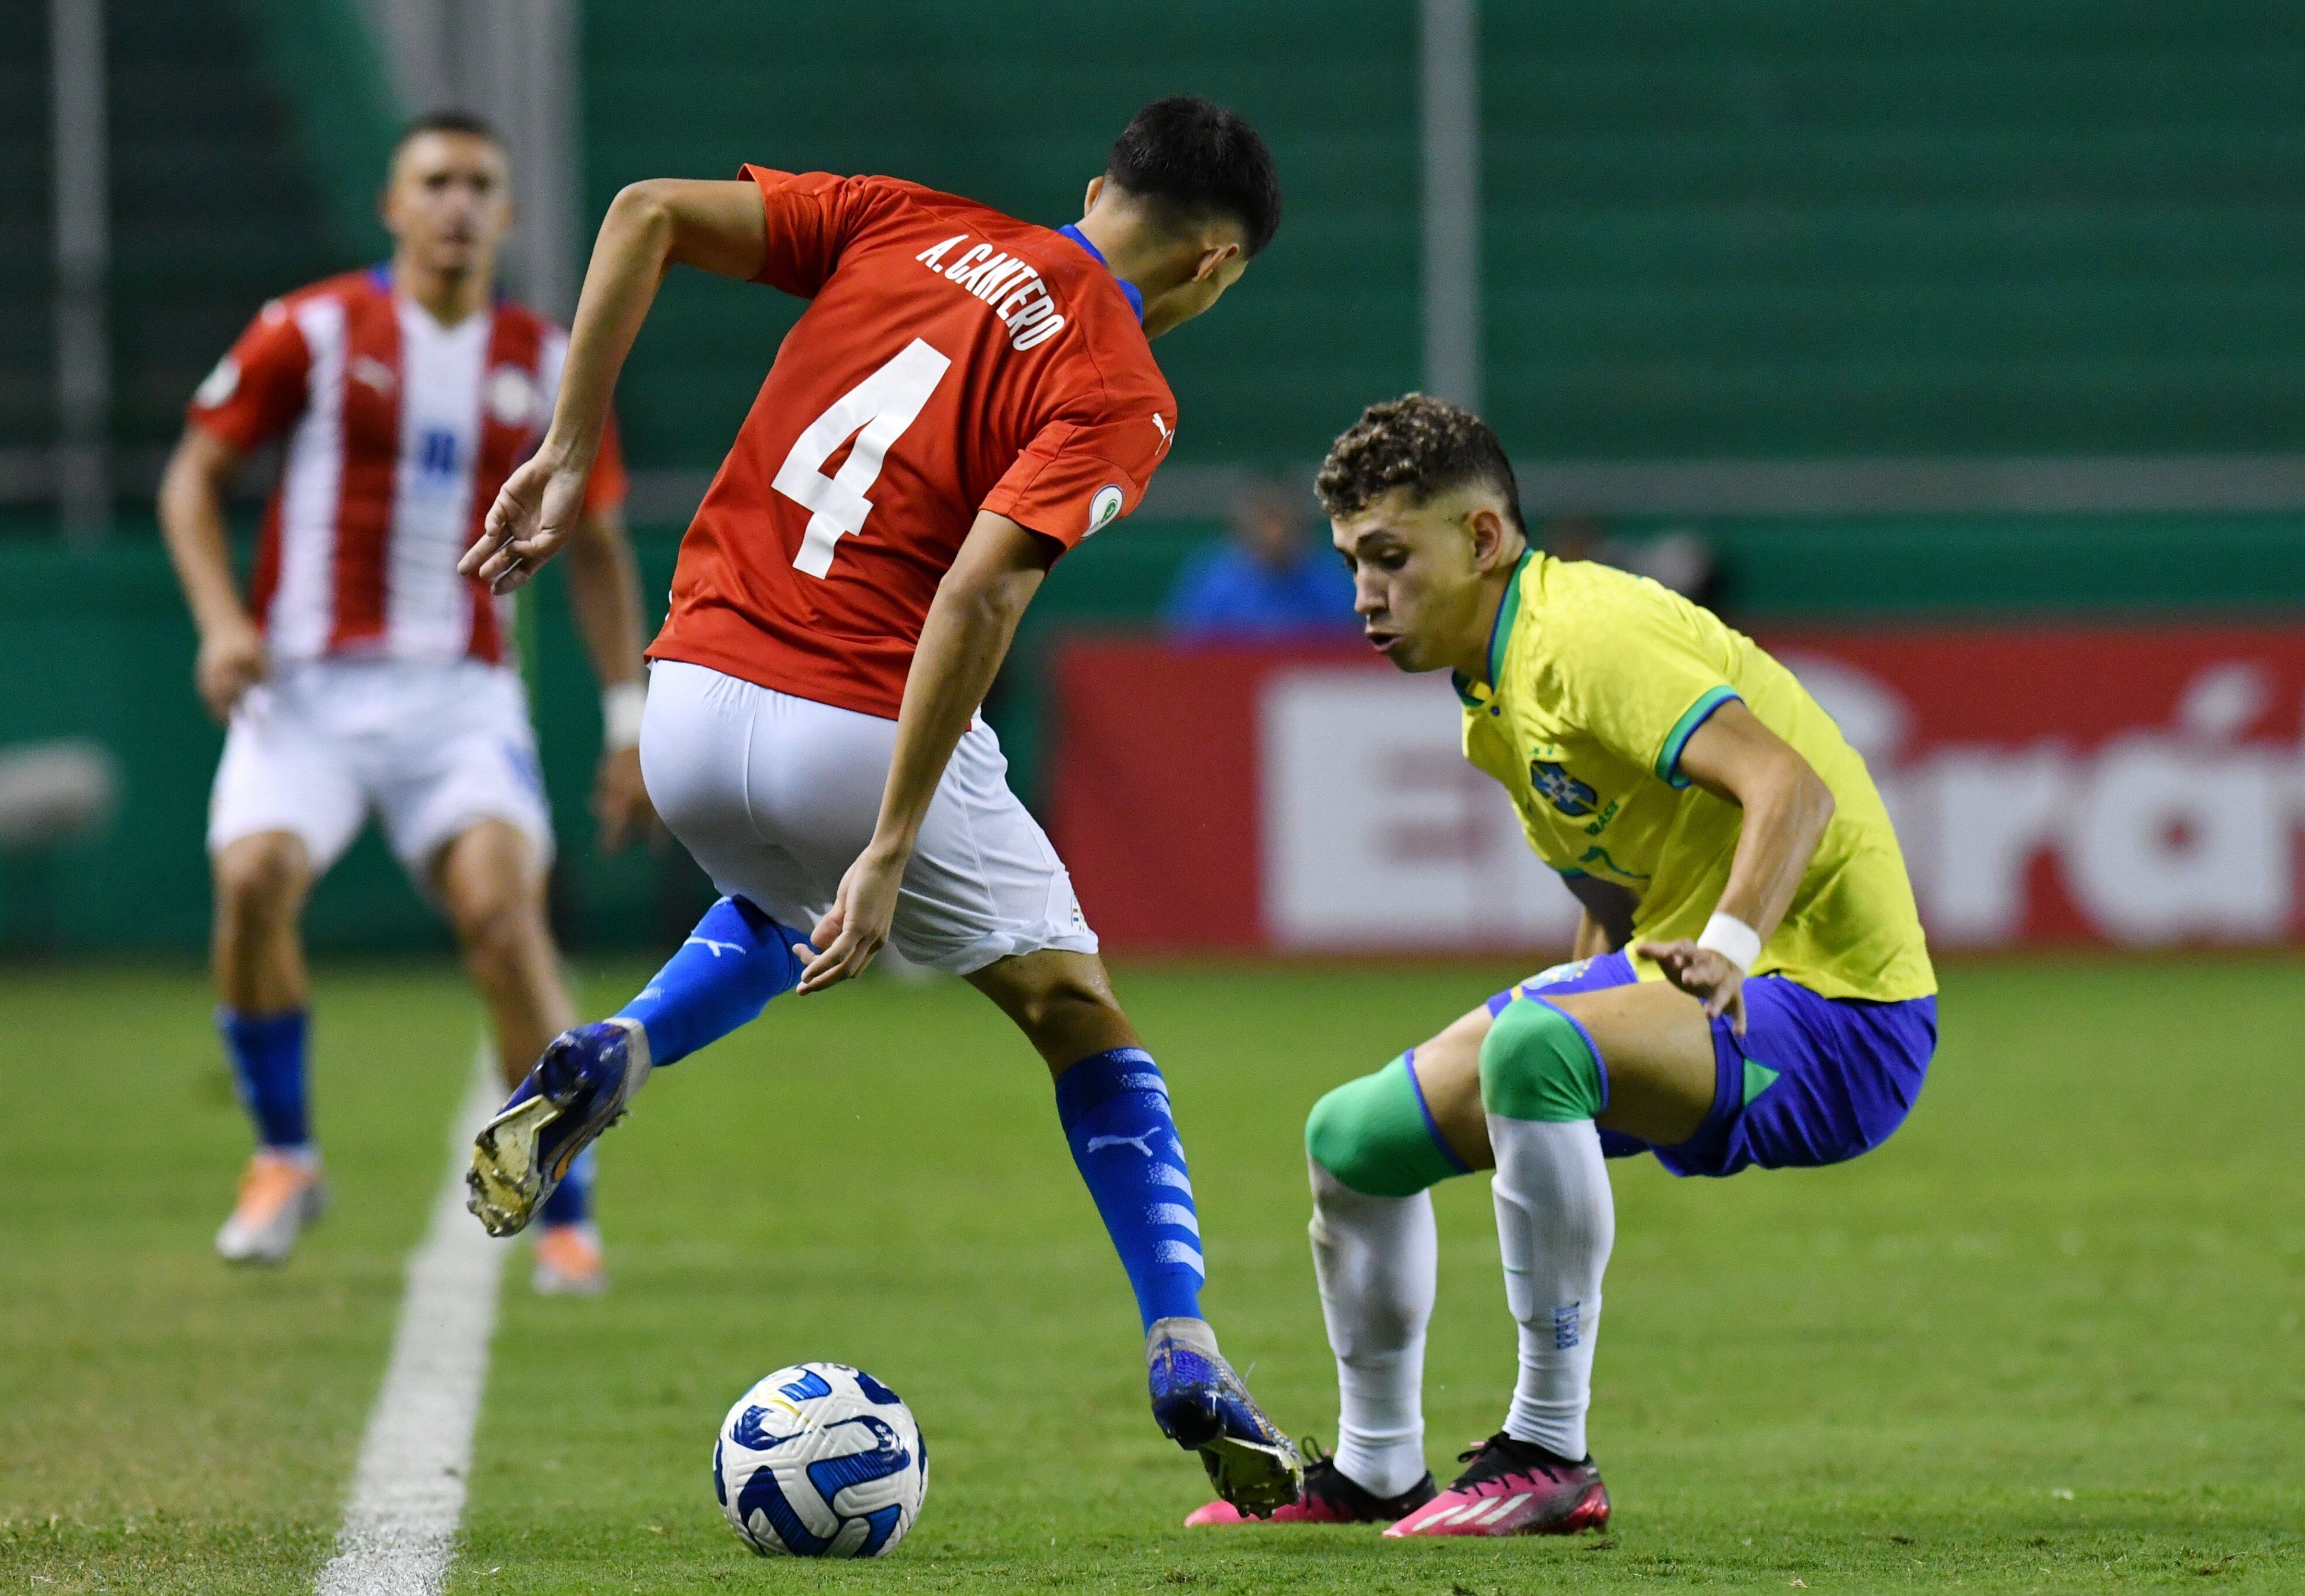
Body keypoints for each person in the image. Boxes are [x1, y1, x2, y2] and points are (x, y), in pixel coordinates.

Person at [451, 97, 1303, 1516]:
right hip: (853, 719)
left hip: (690, 704)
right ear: (1215, 266)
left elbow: (643, 213)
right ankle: (1185, 1345)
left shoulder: (903, 217)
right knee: (1076, 1015)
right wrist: (896, 841)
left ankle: (620, 1043)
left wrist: (563, 445)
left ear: (1095, 186)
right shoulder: (1121, 386)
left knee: (777, 905)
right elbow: (977, 590)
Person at [1187, 394, 1937, 1536]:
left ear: (1483, 541)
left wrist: (1725, 950)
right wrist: (1592, 1016)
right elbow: (1611, 885)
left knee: (1534, 1052)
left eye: (1391, 558)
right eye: (1351, 563)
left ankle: (1548, 1450)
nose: (1363, 597)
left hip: (1836, 1011)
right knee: (1352, 1139)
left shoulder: (1581, 634)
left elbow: (1791, 788)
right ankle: (1374, 1467)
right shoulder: (1487, 697)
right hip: (1687, 982)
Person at [158, 110, 654, 1294]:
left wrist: (628, 722)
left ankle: (562, 1194)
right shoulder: (314, 328)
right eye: (434, 181)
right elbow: (195, 477)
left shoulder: (544, 360)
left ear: (509, 214)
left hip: (459, 698)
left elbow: (595, 545)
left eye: (480, 183)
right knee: (251, 879)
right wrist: (224, 624)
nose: (456, 203)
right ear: (393, 205)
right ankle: (284, 1158)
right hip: (306, 691)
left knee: (502, 917)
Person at [1163, 479, 1353, 638]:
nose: (1275, 534)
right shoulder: (1215, 585)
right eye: (1266, 522)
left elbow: (1346, 650)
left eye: (1282, 520)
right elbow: (1187, 651)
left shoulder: (1328, 580)